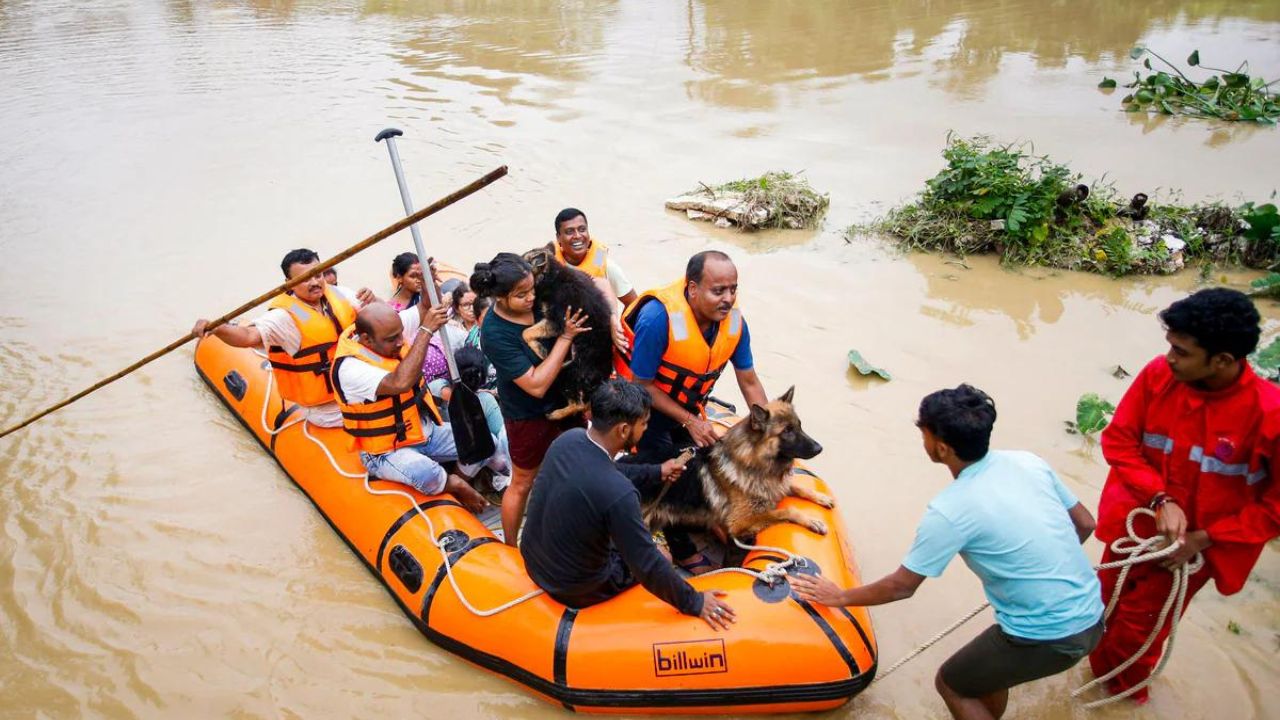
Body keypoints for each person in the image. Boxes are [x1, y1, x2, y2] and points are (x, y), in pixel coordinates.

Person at [792, 384, 1103, 720]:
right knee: (982, 675)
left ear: (941, 448)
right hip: (1093, 617)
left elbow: (902, 586)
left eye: (923, 433)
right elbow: (1085, 523)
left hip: (1048, 636)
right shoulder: (1028, 463)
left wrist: (838, 596)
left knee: (952, 683)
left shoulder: (951, 510)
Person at [1089, 288, 1280, 703]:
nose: (1170, 357)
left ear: (1223, 361)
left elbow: (1275, 507)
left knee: (1136, 636)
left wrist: (1203, 538)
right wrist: (1160, 498)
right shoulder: (1159, 376)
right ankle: (1095, 689)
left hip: (1188, 554)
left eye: (1181, 351)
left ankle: (1122, 703)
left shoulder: (1269, 414)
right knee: (1098, 611)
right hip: (1135, 530)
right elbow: (1119, 440)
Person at [521, 379, 735, 628]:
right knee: (663, 556)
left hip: (534, 562)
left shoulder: (569, 440)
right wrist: (696, 602)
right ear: (623, 430)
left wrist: (657, 471)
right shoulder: (619, 495)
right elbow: (647, 564)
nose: (645, 429)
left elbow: (611, 469)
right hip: (574, 587)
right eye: (644, 423)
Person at [619, 250, 766, 572]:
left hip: (689, 404)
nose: (728, 299)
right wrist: (691, 422)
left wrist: (769, 430)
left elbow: (750, 381)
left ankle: (709, 520)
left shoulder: (736, 324)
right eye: (718, 291)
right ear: (693, 289)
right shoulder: (658, 319)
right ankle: (683, 551)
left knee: (708, 462)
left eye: (733, 289)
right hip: (647, 410)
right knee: (668, 475)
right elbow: (642, 385)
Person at [331, 300, 501, 514]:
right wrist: (426, 330)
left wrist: (425, 277)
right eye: (392, 339)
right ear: (366, 339)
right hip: (386, 451)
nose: (401, 342)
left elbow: (426, 306)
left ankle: (457, 483)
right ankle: (453, 485)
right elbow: (400, 383)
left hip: (423, 432)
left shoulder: (389, 328)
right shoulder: (350, 369)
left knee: (486, 443)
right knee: (426, 473)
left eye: (401, 334)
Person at [473, 252, 592, 545]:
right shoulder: (495, 333)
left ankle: (579, 529)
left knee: (579, 467)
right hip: (528, 413)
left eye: (532, 290)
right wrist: (565, 338)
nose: (530, 298)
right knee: (523, 482)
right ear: (500, 298)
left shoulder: (541, 299)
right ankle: (510, 544)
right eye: (521, 295)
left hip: (566, 403)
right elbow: (536, 385)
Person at [192, 248, 374, 428]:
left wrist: (374, 300)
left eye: (318, 275)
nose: (315, 282)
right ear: (289, 283)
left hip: (357, 388)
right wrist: (217, 328)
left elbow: (380, 322)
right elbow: (248, 336)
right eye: (305, 279)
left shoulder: (341, 294)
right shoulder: (283, 317)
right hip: (328, 410)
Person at [553, 207, 637, 307]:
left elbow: (634, 304)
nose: (577, 236)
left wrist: (618, 322)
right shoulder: (550, 269)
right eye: (569, 231)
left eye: (582, 229)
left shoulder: (606, 265)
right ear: (558, 237)